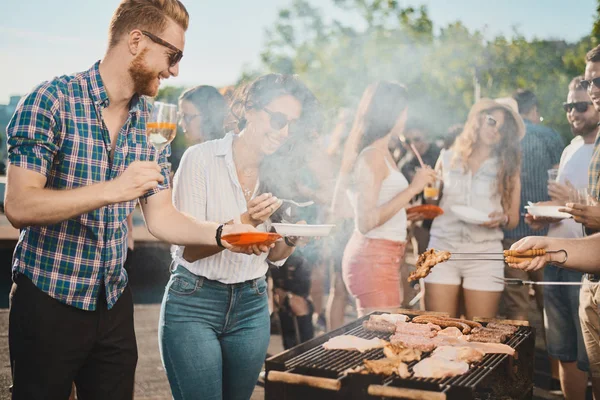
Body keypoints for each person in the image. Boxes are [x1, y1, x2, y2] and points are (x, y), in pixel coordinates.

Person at [4, 2, 263, 398]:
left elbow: (161, 218)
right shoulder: (50, 101)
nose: (175, 69)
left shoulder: (150, 121)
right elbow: (20, 207)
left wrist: (225, 233)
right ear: (136, 40)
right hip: (48, 299)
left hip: (112, 299)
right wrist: (113, 189)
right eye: (172, 55)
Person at [158, 73, 321, 400]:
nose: (284, 132)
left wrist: (291, 239)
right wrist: (246, 219)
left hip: (252, 304)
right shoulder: (200, 159)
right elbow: (189, 250)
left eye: (292, 124)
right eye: (278, 119)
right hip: (195, 302)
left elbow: (271, 257)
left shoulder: (278, 172)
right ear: (249, 109)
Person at [338, 81, 436, 317]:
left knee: (380, 341)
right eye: (404, 111)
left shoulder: (384, 152)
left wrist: (408, 210)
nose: (406, 117)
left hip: (384, 256)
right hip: (374, 258)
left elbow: (382, 204)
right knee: (378, 344)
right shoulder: (372, 155)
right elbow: (366, 221)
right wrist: (413, 188)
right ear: (392, 112)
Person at [526, 76, 597, 399]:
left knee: (592, 358)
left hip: (586, 263)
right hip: (554, 261)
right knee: (563, 351)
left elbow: (589, 209)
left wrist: (572, 201)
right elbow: (565, 207)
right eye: (569, 106)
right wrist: (542, 215)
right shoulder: (570, 148)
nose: (573, 113)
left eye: (581, 105)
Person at [424, 98, 524, 319]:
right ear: (478, 120)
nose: (494, 129)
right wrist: (426, 189)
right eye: (491, 121)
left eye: (501, 127)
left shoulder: (507, 167)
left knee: (479, 332)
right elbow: (433, 205)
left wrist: (502, 219)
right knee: (438, 330)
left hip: (484, 253)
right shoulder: (448, 157)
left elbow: (513, 218)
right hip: (443, 249)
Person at [501, 89, 564, 321]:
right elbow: (560, 178)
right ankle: (554, 357)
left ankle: (518, 356)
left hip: (511, 234)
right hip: (546, 235)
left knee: (516, 303)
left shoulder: (505, 138)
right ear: (534, 110)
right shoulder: (549, 136)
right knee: (550, 305)